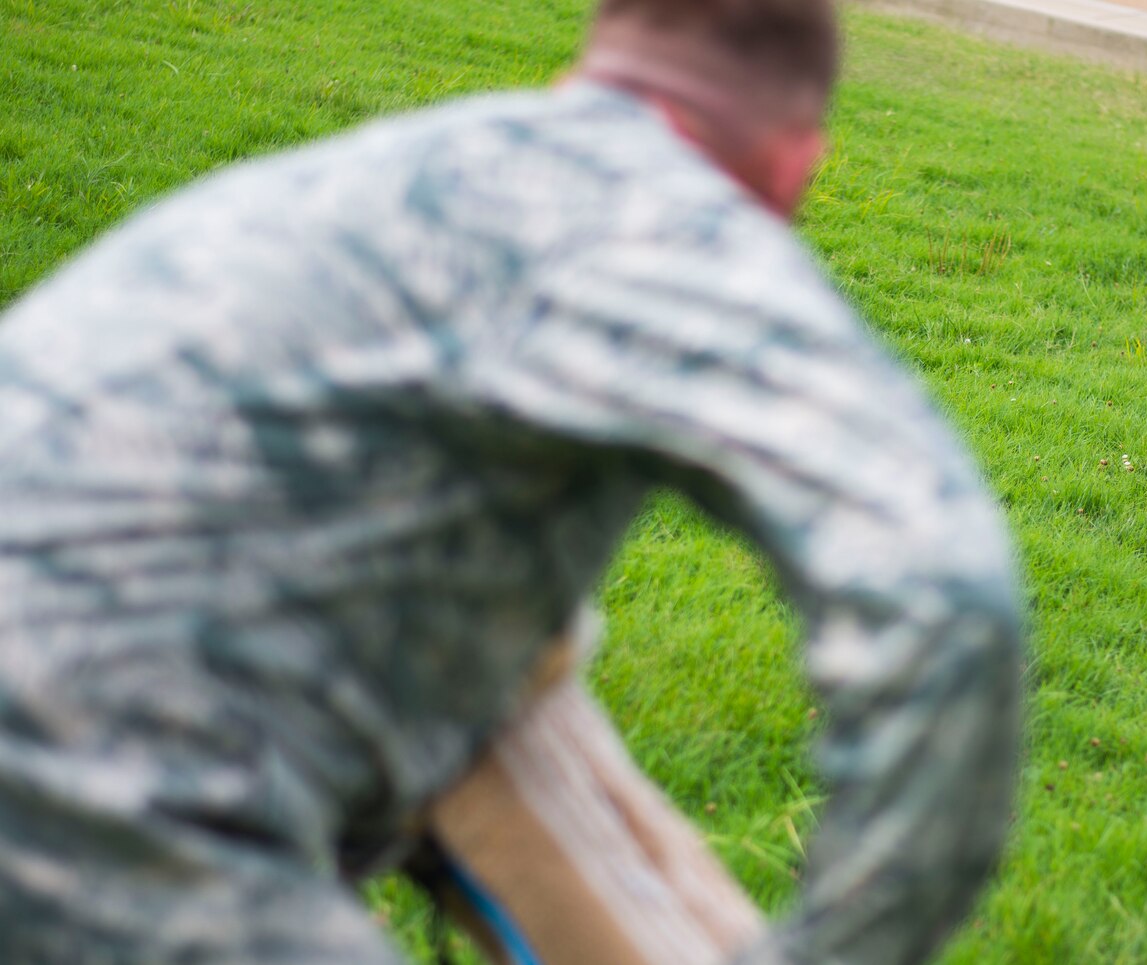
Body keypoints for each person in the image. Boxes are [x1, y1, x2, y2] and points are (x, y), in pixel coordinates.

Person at [0, 0, 1025, 962]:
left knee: (526, 661)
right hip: (77, 761)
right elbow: (946, 594)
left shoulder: (408, 167)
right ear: (797, 167)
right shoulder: (666, 229)